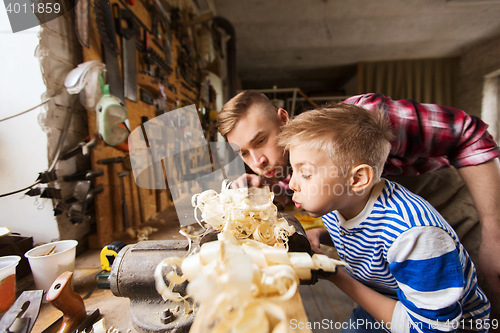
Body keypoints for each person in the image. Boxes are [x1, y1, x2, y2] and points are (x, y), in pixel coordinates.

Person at [216, 91, 500, 321]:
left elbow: (467, 132)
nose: (257, 161)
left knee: (480, 302)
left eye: (261, 141)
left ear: (283, 118)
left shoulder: (364, 121)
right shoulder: (293, 171)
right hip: (393, 256)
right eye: (244, 153)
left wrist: (493, 232)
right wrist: (263, 189)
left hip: (456, 211)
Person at [276, 104, 490, 332]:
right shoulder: (340, 202)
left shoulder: (414, 236)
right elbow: (366, 232)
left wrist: (333, 273)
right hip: (385, 296)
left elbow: (430, 328)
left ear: (358, 179)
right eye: (293, 170)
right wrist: (321, 234)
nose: (292, 184)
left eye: (306, 173)